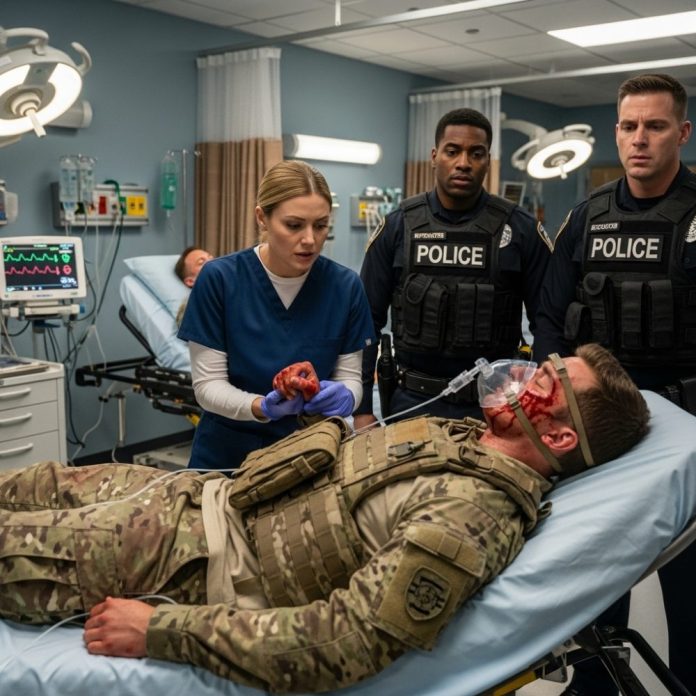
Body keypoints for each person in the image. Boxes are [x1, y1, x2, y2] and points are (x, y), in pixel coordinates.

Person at [0, 344, 649, 694]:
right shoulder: (462, 438)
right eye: (542, 362)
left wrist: (162, 630)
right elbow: (350, 493)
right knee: (31, 482)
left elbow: (345, 641)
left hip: (184, 559)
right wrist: (317, 413)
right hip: (197, 496)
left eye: (547, 381)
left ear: (559, 438)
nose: (524, 373)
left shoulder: (470, 516)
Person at [534, 73, 696, 695]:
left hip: (686, 420)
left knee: (688, 581)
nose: (639, 139)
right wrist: (560, 396)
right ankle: (594, 687)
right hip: (603, 425)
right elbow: (550, 315)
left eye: (655, 126)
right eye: (629, 126)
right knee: (598, 571)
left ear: (682, 132)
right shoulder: (587, 216)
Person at [354, 107, 552, 432]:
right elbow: (365, 323)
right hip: (411, 404)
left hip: (496, 405)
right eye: (452, 151)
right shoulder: (398, 227)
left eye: (476, 153)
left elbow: (548, 323)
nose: (463, 163)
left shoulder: (521, 230)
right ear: (435, 157)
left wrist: (545, 403)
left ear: (488, 161)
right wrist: (361, 409)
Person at [177, 160, 376, 470]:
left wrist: (347, 397)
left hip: (312, 454)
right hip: (228, 457)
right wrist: (262, 407)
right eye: (294, 225)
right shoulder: (220, 280)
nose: (310, 239)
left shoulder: (345, 286)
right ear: (262, 218)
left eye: (321, 225)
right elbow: (207, 387)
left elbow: (350, 377)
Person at [173, 246, 214, 324]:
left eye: (211, 258)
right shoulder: (192, 306)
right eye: (201, 263)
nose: (213, 262)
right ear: (191, 281)